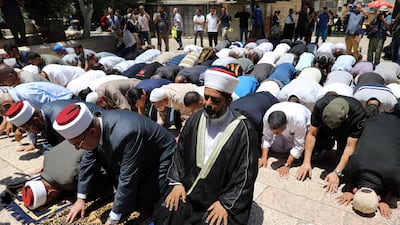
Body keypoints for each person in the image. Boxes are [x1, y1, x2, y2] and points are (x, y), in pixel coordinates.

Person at [154, 66, 258, 225]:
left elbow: (246, 173)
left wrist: (226, 203)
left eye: (215, 100)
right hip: (190, 188)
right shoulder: (195, 117)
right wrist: (177, 182)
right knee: (166, 212)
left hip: (221, 195)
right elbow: (180, 152)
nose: (208, 104)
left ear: (228, 101)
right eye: (207, 97)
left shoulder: (244, 129)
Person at [52, 102, 177, 225]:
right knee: (129, 197)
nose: (77, 149)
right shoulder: (95, 127)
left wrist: (113, 219)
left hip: (162, 158)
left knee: (148, 203)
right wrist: (81, 198)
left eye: (77, 144)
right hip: (137, 159)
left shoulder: (127, 133)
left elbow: (127, 177)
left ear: (92, 132)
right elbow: (88, 162)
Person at [336, 110, 400, 218]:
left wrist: (385, 201)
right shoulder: (355, 165)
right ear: (355, 190)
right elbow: (349, 175)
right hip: (374, 120)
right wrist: (348, 190)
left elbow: (393, 185)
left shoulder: (395, 176)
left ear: (378, 198)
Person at [296, 95, 366, 193]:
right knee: (311, 154)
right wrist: (306, 162)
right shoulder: (320, 105)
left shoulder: (358, 115)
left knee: (344, 168)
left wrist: (337, 172)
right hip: (325, 130)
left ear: (346, 117)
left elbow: (350, 146)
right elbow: (312, 133)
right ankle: (327, 145)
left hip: (345, 134)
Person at [260, 102, 311, 176]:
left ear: (286, 123)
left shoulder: (298, 120)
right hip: (287, 128)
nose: (275, 133)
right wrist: (264, 157)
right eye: (274, 132)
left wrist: (287, 164)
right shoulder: (267, 117)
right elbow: (266, 137)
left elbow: (299, 145)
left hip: (303, 126)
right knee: (276, 147)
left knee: (301, 151)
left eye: (278, 132)